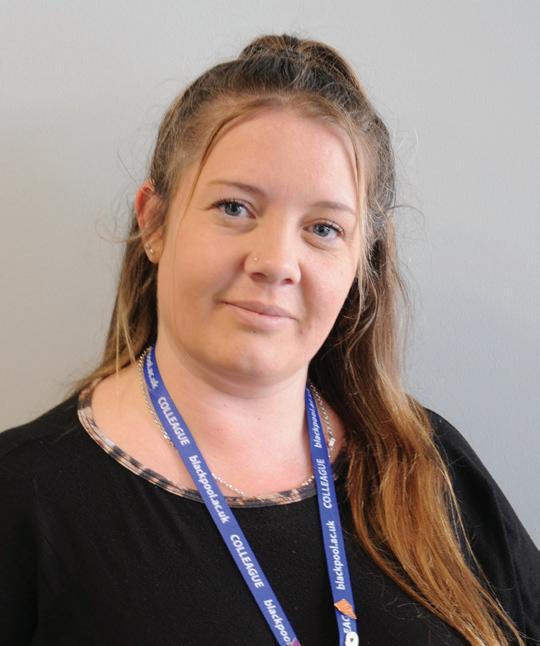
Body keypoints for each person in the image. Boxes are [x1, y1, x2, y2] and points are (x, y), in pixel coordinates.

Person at [0, 33, 538, 646]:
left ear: (361, 263)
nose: (277, 262)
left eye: (323, 228)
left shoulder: (430, 466)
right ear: (154, 222)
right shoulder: (24, 498)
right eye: (235, 208)